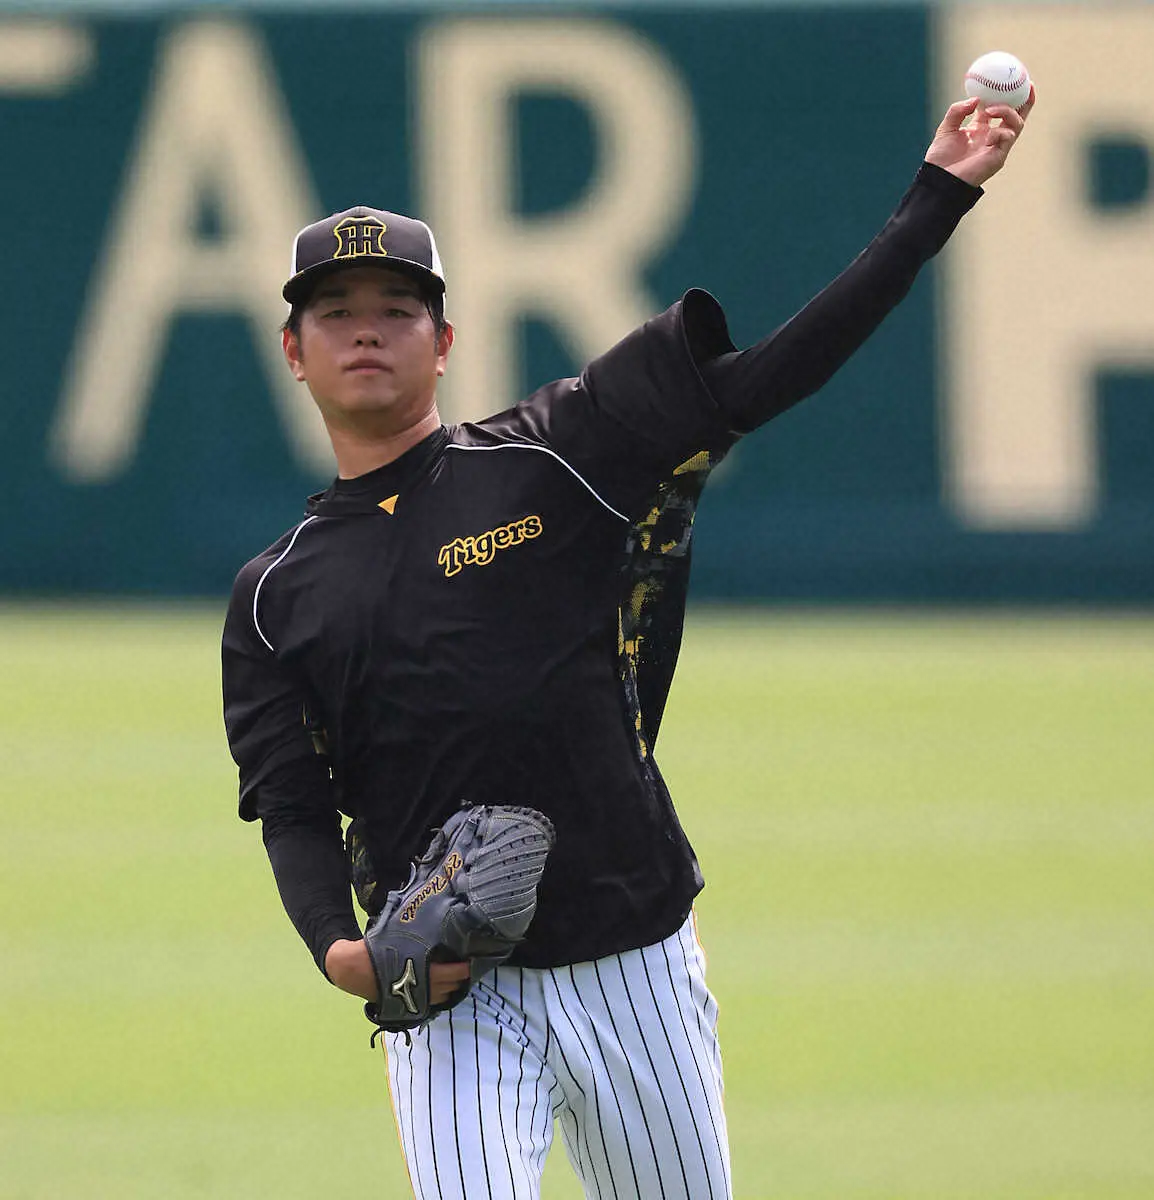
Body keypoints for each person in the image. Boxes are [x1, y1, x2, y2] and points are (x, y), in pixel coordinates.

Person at [222, 92, 1033, 1198]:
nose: (366, 330)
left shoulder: (555, 455)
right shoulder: (274, 597)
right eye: (335, 312)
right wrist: (341, 951)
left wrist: (935, 198)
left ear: (445, 343)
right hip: (454, 996)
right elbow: (292, 805)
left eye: (397, 308)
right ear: (293, 350)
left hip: (634, 962)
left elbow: (767, 377)